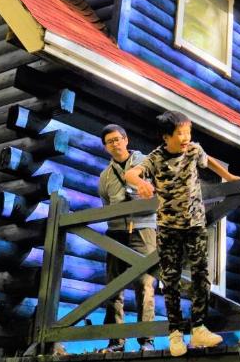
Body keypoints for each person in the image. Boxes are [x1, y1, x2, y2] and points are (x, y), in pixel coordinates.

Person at [124, 111, 240, 357]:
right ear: (166, 137)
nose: (186, 137)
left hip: (195, 224)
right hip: (168, 228)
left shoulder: (193, 150)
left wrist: (228, 176)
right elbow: (131, 173)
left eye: (188, 132)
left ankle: (198, 327)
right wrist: (142, 184)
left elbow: (208, 161)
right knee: (171, 280)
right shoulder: (155, 158)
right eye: (180, 134)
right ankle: (175, 333)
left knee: (201, 276)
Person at [97, 124, 157, 353]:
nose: (114, 144)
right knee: (113, 288)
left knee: (145, 285)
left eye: (117, 139)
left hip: (143, 230)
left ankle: (147, 341)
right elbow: (105, 204)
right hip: (115, 233)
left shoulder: (146, 163)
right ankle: (115, 342)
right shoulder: (105, 177)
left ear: (126, 140)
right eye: (109, 142)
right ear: (105, 147)